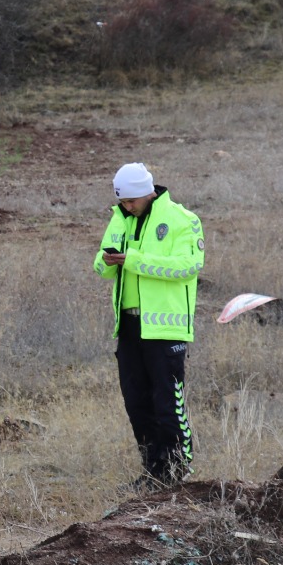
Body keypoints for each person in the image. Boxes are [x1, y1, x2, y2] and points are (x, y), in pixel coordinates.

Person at [93, 162, 204, 488]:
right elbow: (101, 267)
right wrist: (108, 259)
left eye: (131, 201)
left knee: (168, 405)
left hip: (165, 328)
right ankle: (153, 473)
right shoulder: (120, 218)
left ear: (147, 193)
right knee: (137, 404)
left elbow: (189, 266)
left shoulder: (183, 219)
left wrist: (134, 260)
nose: (126, 207)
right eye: (122, 202)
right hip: (128, 328)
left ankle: (179, 475)